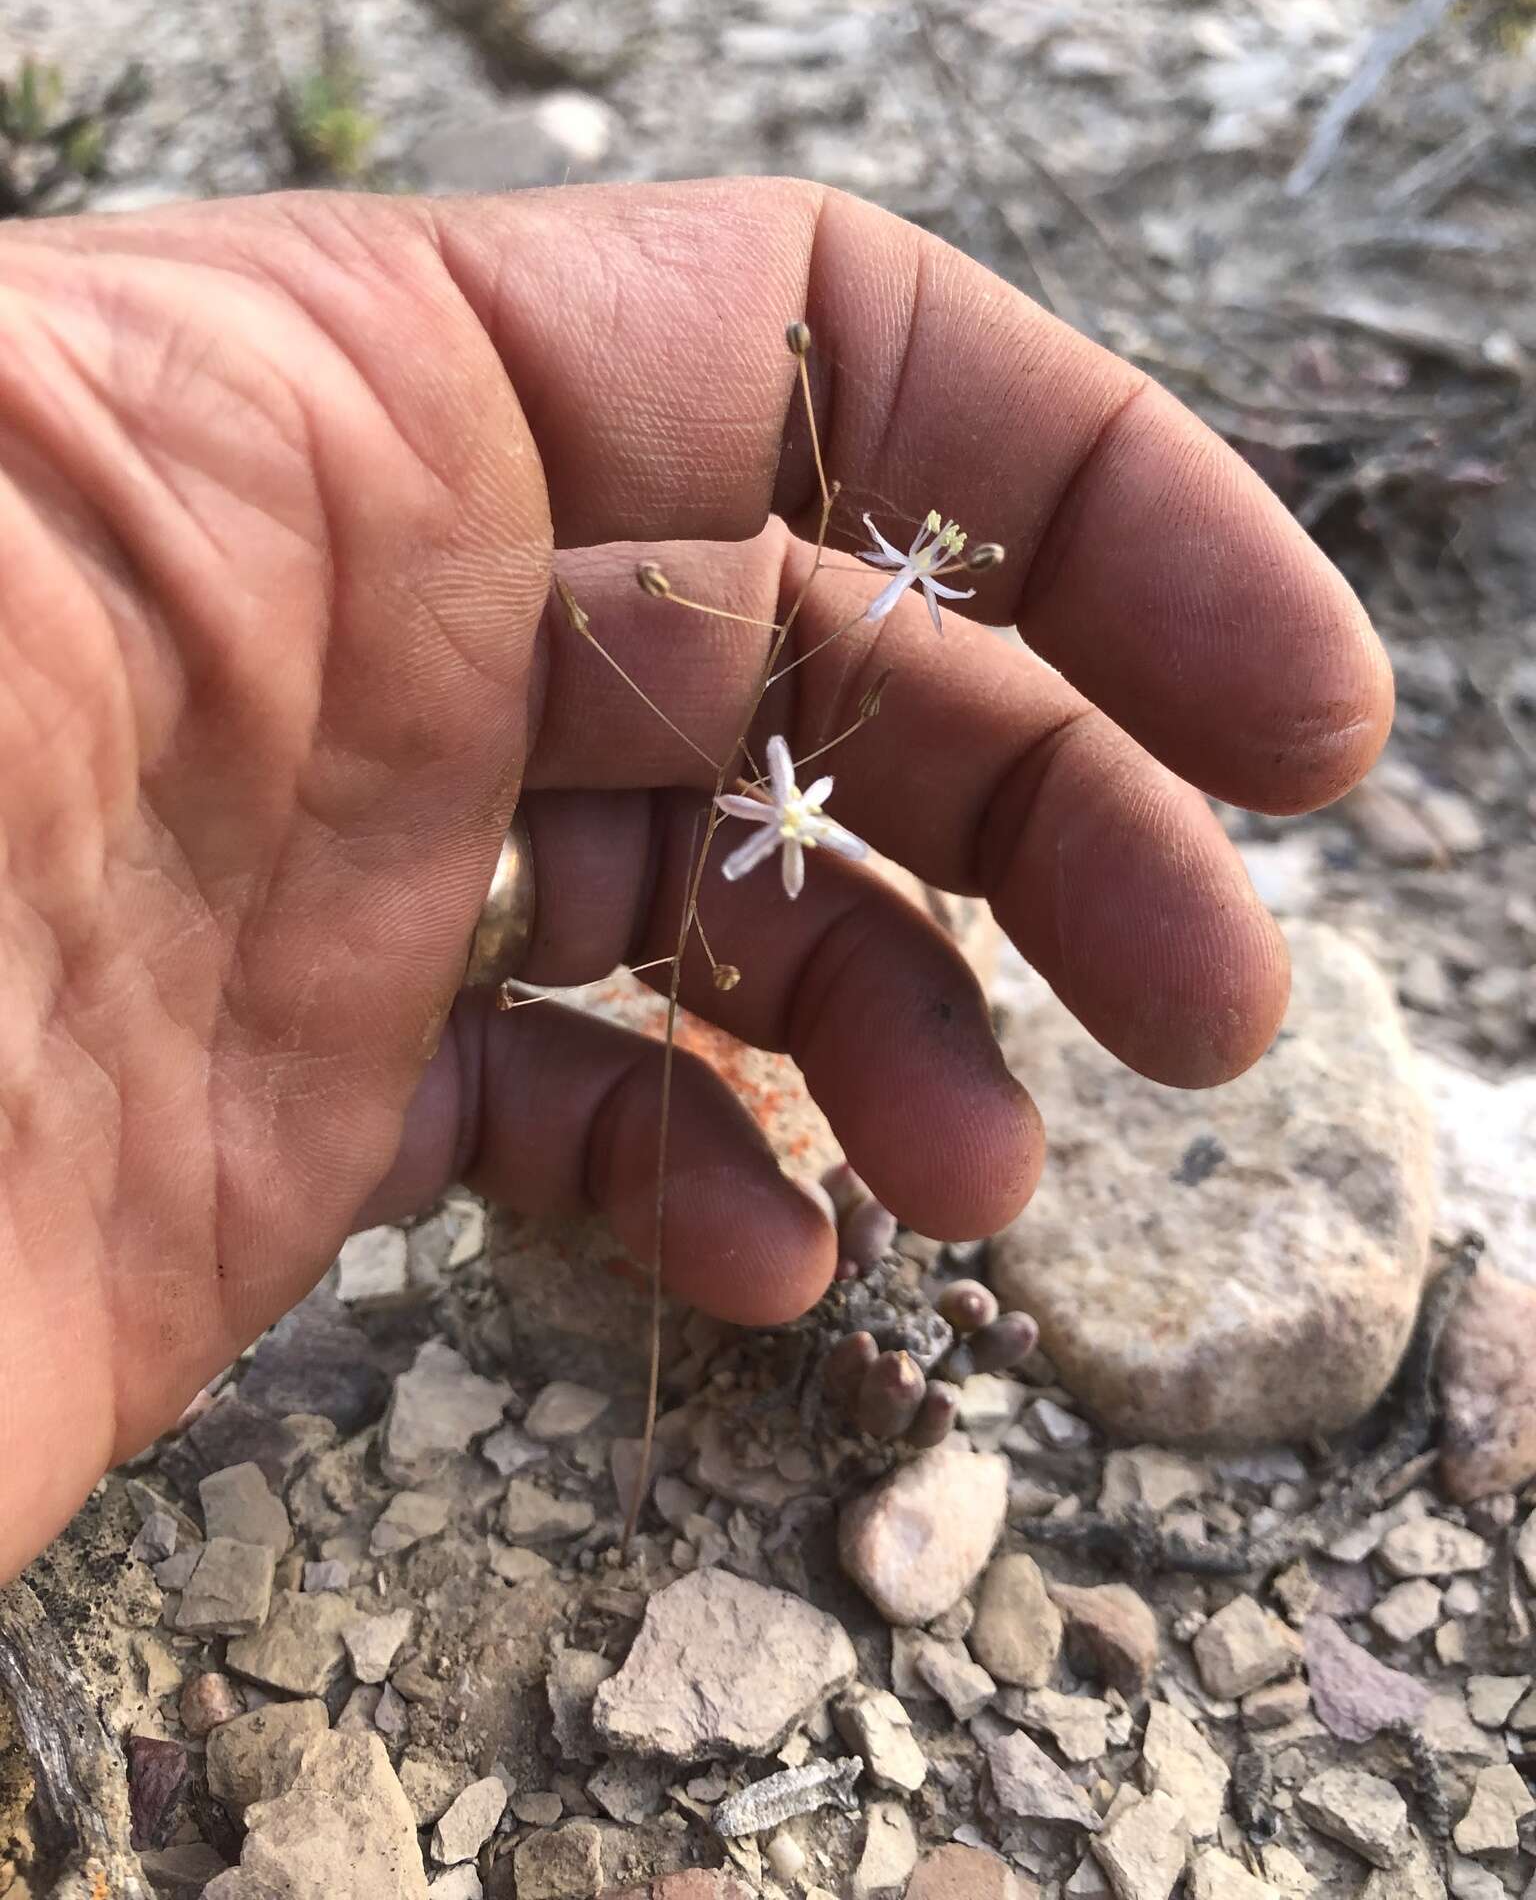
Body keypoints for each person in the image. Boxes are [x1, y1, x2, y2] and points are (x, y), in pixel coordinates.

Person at [0, 177, 1391, 1584]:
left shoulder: (824, 715)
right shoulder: (773, 707)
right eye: (924, 555)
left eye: (930, 563)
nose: (924, 564)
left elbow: (807, 774)